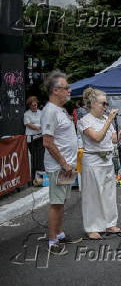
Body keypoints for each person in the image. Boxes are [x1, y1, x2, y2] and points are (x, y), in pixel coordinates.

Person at [41, 70, 82, 255]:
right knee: (56, 203)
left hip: (67, 165)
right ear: (56, 90)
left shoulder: (60, 110)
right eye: (66, 88)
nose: (69, 91)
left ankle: (59, 233)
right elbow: (47, 142)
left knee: (62, 202)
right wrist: (64, 163)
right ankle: (52, 240)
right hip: (59, 166)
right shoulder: (50, 111)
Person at [78, 88, 120, 240]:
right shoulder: (85, 121)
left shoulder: (104, 120)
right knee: (93, 195)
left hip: (107, 160)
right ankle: (92, 227)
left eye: (106, 103)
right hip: (93, 161)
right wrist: (109, 120)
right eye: (103, 103)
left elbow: (114, 139)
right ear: (93, 103)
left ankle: (109, 223)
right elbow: (97, 138)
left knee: (109, 194)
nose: (106, 106)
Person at [24, 96, 44, 181]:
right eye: (32, 105)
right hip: (31, 138)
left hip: (40, 137)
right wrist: (38, 127)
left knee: (41, 157)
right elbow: (28, 124)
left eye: (35, 105)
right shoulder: (26, 114)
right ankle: (33, 177)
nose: (34, 107)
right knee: (34, 158)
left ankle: (41, 176)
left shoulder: (41, 112)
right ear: (29, 106)